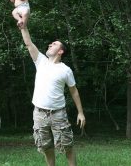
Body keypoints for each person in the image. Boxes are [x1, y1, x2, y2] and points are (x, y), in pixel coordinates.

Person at [19, 23, 86, 166]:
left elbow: (74, 91)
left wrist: (80, 113)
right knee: (45, 146)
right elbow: (29, 43)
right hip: (39, 113)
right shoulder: (40, 61)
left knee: (67, 145)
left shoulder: (66, 70)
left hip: (58, 114)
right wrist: (23, 27)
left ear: (60, 51)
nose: (50, 44)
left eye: (54, 44)